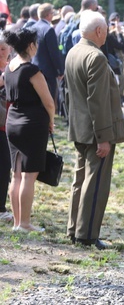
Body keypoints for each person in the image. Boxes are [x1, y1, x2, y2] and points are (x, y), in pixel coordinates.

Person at [65, 11, 124, 248]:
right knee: (96, 183)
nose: (108, 35)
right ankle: (87, 234)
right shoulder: (97, 57)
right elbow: (98, 101)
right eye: (106, 31)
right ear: (99, 31)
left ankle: (74, 229)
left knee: (80, 180)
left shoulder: (74, 52)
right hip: (95, 132)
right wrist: (104, 138)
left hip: (80, 128)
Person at [6, 28, 56, 232]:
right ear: (30, 46)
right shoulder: (32, 71)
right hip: (32, 125)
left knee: (16, 175)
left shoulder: (9, 67)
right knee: (28, 176)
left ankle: (18, 222)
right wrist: (51, 122)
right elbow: (49, 103)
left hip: (13, 123)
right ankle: (25, 223)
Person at [31, 3, 65, 102]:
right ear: (48, 15)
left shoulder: (32, 28)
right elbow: (54, 53)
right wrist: (60, 70)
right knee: (48, 100)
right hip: (48, 72)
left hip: (34, 68)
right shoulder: (49, 30)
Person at [0, 34, 12, 223]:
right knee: (2, 167)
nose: (2, 53)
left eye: (4, 49)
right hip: (2, 125)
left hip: (7, 125)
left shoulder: (10, 67)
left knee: (5, 168)